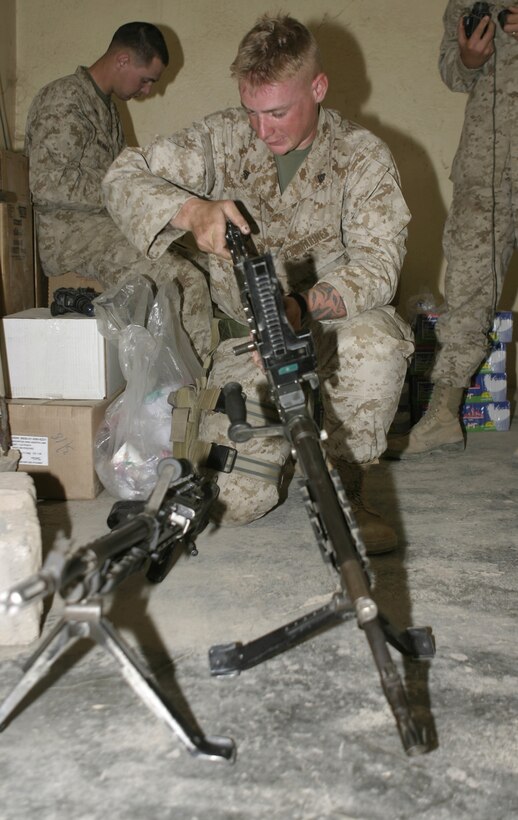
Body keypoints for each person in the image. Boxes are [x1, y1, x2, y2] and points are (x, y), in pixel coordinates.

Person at [103, 14, 414, 553]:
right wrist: (189, 210)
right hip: (247, 346)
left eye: (277, 112)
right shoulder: (221, 138)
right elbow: (122, 177)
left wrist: (300, 305)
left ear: (317, 88)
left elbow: (379, 263)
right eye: (251, 112)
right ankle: (287, 450)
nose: (262, 130)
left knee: (375, 341)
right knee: (233, 504)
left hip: (325, 331)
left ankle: (346, 483)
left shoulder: (362, 156)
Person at [25, 21, 213, 360]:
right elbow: (48, 185)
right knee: (187, 281)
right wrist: (125, 196)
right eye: (145, 80)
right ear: (123, 60)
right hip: (69, 237)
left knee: (207, 259)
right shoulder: (65, 98)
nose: (146, 92)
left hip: (103, 226)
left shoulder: (106, 107)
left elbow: (120, 180)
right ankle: (190, 394)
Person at [386, 2, 518, 459]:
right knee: (467, 288)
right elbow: (453, 72)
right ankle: (444, 414)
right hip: (486, 168)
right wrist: (469, 59)